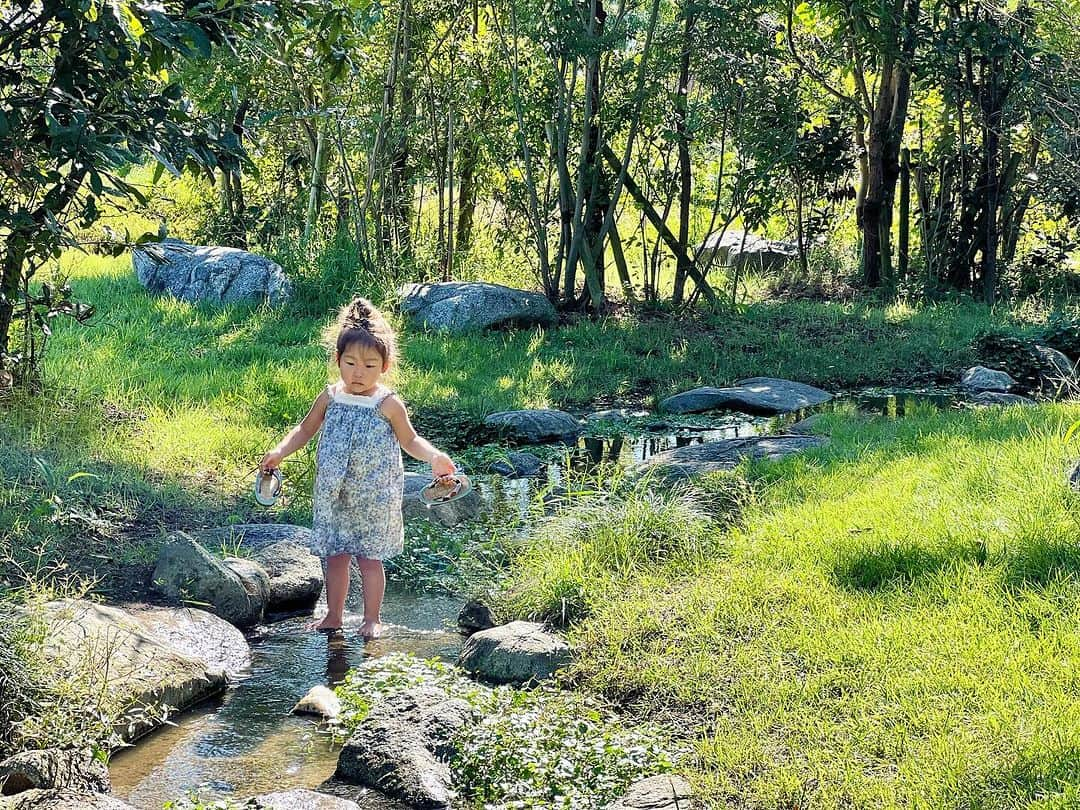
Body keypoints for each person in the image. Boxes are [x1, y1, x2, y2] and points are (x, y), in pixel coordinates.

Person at [260, 297, 456, 639]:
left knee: (369, 558)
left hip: (374, 494)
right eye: (349, 363)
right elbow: (305, 429)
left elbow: (410, 441)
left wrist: (435, 457)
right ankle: (334, 615)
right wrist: (280, 451)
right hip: (335, 492)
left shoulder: (387, 403)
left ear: (385, 365)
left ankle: (371, 618)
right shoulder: (331, 396)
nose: (358, 373)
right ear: (337, 360)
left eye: (368, 365)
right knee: (335, 556)